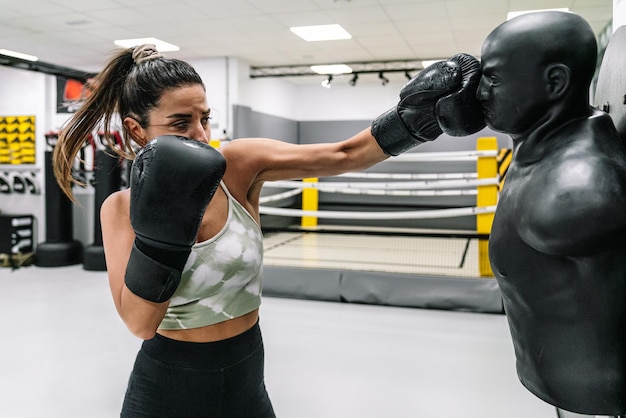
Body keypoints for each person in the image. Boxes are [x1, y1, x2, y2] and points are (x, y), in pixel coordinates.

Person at [52, 44, 484, 417]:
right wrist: (163, 229)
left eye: (205, 117)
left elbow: (344, 153)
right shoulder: (120, 209)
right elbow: (140, 324)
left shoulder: (237, 165)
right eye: (181, 123)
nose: (201, 135)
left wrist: (416, 120)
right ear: (135, 129)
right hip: (168, 386)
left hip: (245, 376)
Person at [476, 11, 626, 417]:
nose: (479, 93)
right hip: (566, 393)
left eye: (494, 78)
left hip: (594, 405)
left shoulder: (575, 189)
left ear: (554, 83)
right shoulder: (538, 150)